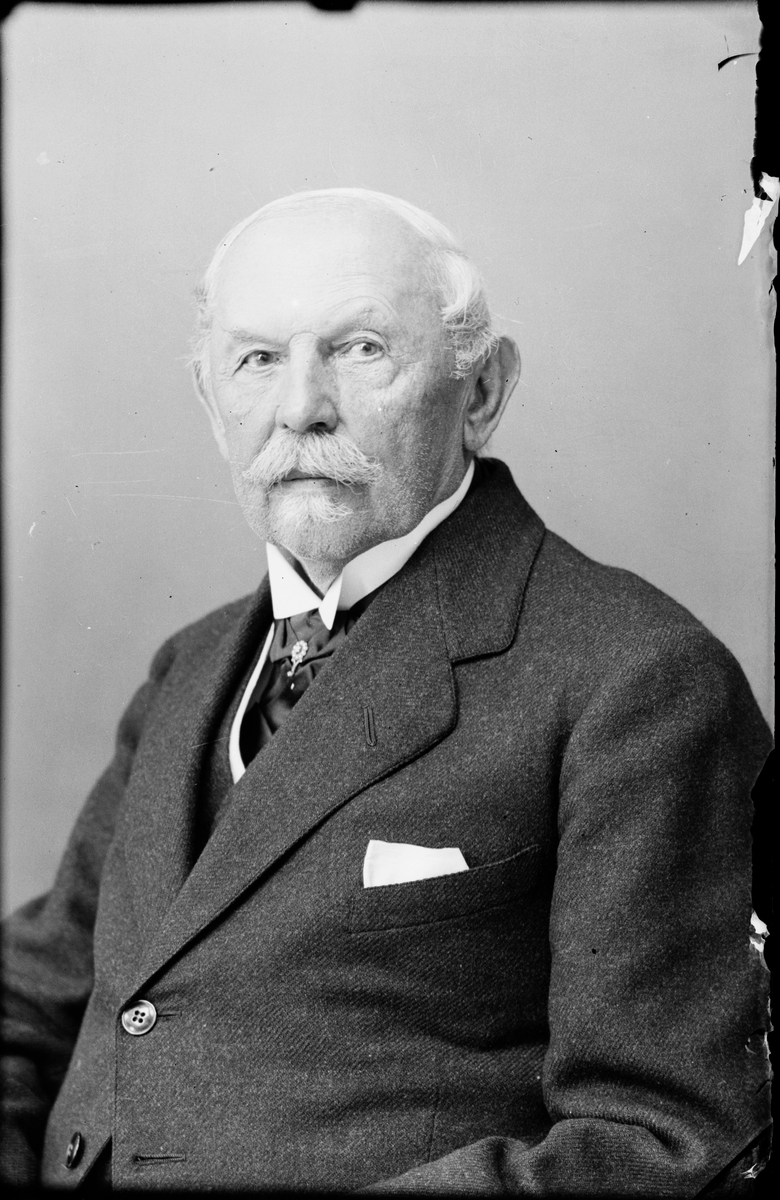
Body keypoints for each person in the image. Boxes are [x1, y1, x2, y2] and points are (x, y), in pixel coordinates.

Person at [1, 188, 771, 1194]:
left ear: (481, 391)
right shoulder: (188, 668)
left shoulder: (638, 679)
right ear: (208, 401)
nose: (300, 407)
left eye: (360, 349)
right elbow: (33, 1001)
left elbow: (669, 1140)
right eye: (256, 359)